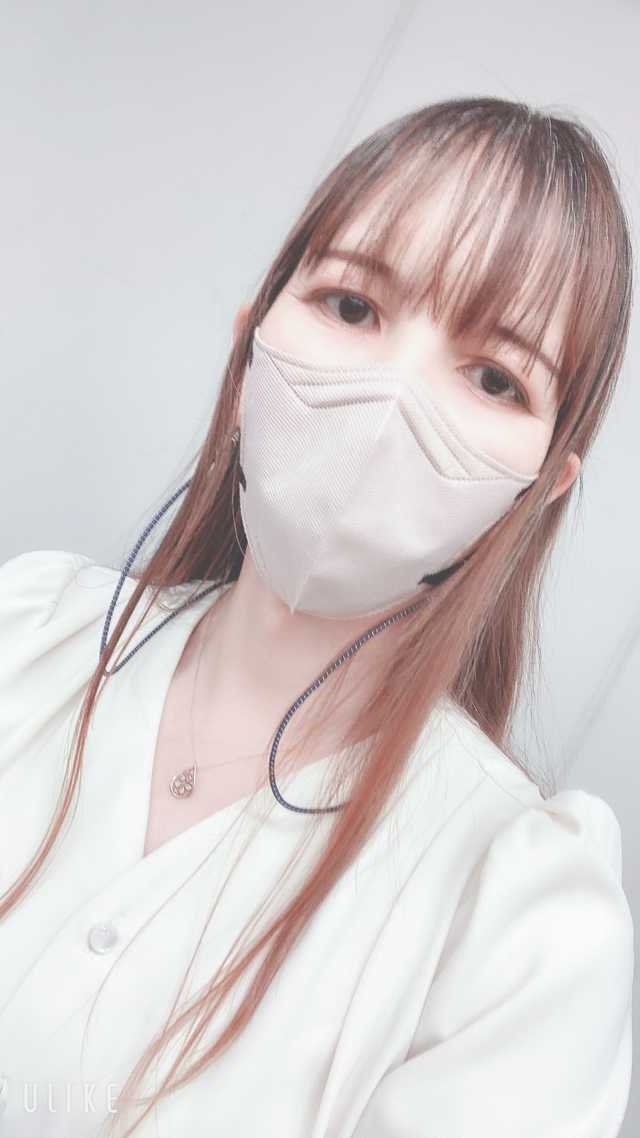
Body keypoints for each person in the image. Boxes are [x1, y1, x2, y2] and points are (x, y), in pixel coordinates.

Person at [0, 96, 634, 1138]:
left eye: (493, 377)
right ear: (250, 342)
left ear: (541, 490)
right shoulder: (27, 638)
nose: (392, 394)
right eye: (351, 305)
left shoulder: (518, 928)